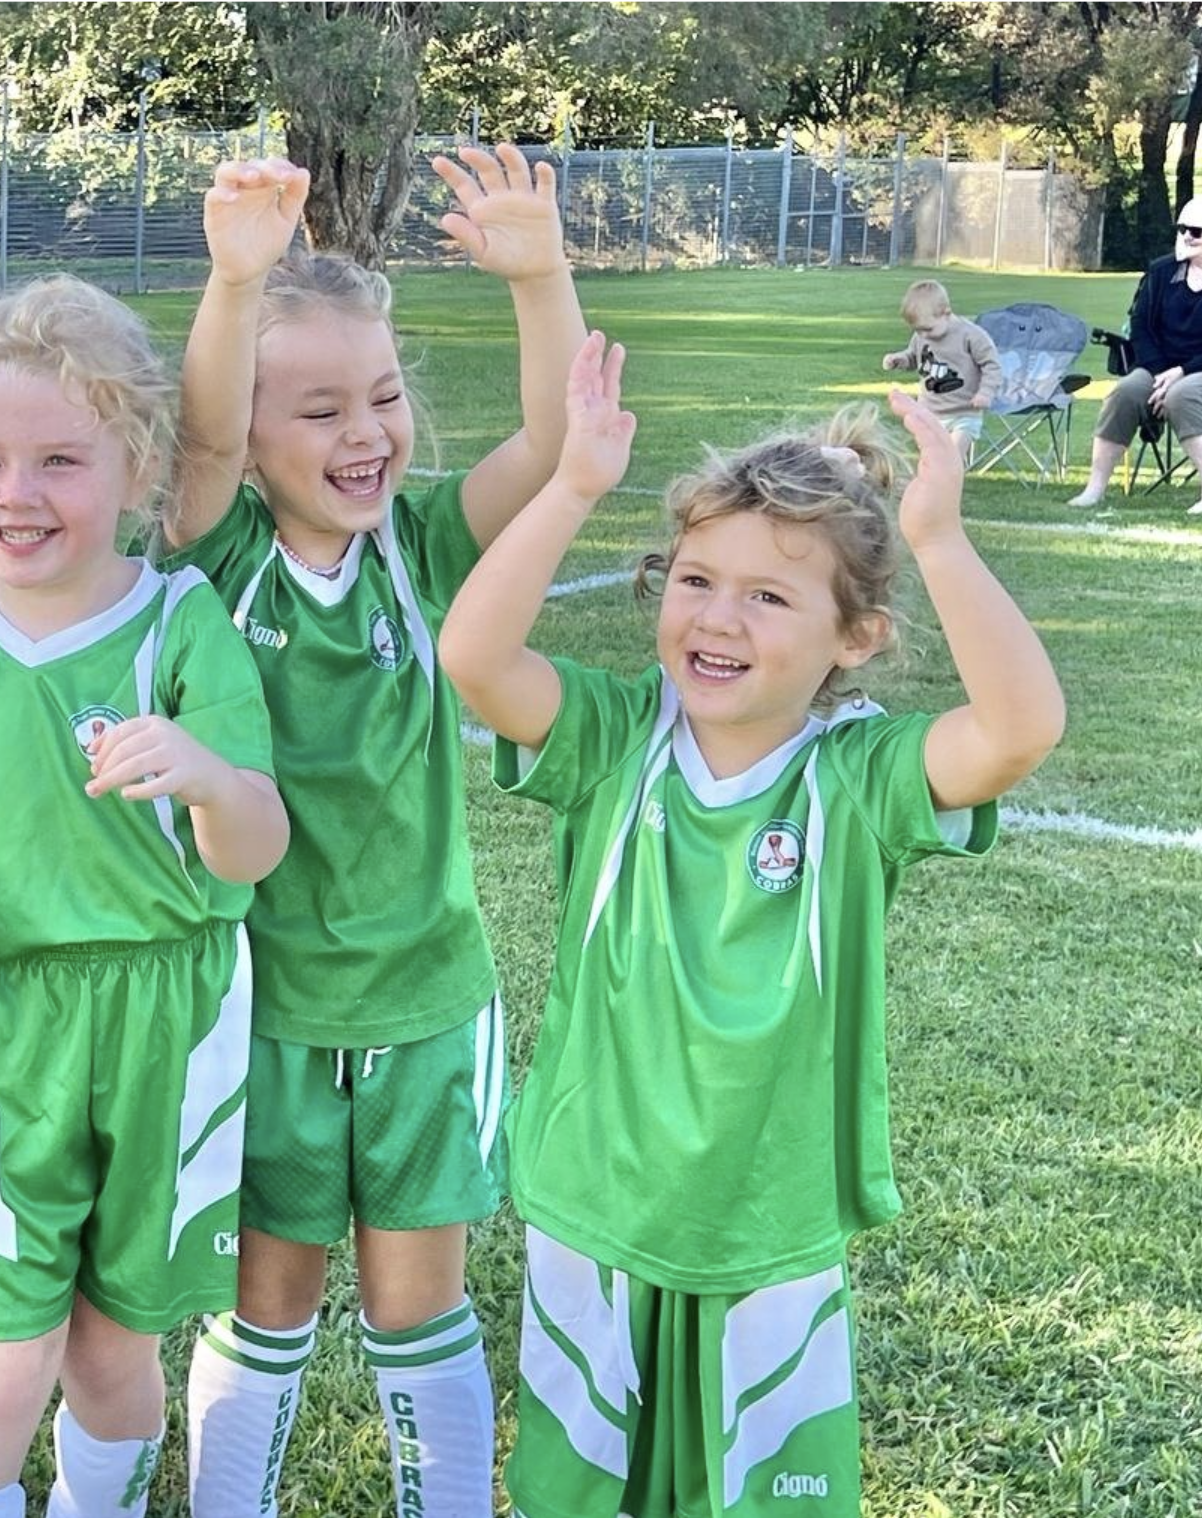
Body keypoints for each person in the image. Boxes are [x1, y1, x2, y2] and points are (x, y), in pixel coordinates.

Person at [437, 338, 1064, 1518]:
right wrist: (570, 484)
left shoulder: (863, 779)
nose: (715, 619)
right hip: (595, 1201)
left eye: (767, 596)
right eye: (693, 579)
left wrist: (937, 539)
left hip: (765, 1222)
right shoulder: (615, 740)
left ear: (854, 637)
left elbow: (1019, 726)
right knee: (576, 1496)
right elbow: (471, 655)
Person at [165, 147, 585, 1518]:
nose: (365, 433)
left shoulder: (421, 548)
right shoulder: (213, 558)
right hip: (266, 1007)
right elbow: (204, 441)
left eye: (385, 396)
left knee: (423, 1308)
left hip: (424, 1003)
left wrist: (540, 278)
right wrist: (234, 283)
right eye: (320, 409)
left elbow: (550, 446)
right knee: (265, 1301)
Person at [0, 273, 290, 1518]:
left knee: (108, 1347)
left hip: (170, 1017)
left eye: (59, 459)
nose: (16, 493)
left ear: (139, 468)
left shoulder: (180, 623)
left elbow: (252, 846)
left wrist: (204, 775)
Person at [1068, 198, 1202, 511]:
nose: (1187, 237)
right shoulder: (1160, 272)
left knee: (1180, 396)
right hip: (1160, 370)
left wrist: (1181, 372)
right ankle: (1095, 488)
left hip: (1194, 372)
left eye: (1196, 231)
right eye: (1182, 229)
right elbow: (1140, 327)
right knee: (1125, 392)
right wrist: (1158, 375)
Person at [880, 279, 998, 465]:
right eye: (918, 330)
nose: (923, 335)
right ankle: (935, 492)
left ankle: (951, 489)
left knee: (951, 459)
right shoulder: (922, 334)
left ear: (946, 314)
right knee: (932, 462)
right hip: (931, 412)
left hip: (964, 413)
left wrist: (985, 392)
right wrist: (899, 359)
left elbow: (991, 365)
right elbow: (914, 357)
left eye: (928, 329)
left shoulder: (972, 336)